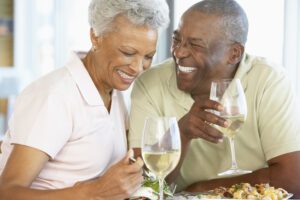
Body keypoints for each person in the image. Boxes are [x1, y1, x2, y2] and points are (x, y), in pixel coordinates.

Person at [128, 0, 300, 197]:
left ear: (233, 54)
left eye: (195, 45)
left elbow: (292, 180)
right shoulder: (149, 83)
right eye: (177, 40)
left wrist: (201, 190)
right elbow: (143, 186)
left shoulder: (268, 80)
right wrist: (181, 135)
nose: (179, 52)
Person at [0, 0, 169, 199]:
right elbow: (7, 193)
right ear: (95, 37)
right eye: (128, 53)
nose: (138, 67)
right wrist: (93, 192)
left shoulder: (112, 90)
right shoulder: (54, 96)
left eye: (148, 56)